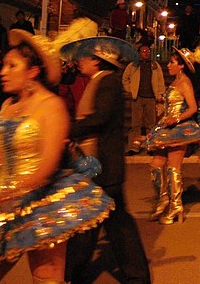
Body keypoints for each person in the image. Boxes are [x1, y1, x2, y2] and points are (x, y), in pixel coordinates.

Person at [0, 25, 114, 283]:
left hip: (43, 204)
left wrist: (13, 193)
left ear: (32, 71)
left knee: (45, 276)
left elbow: (48, 164)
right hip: (2, 203)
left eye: (11, 66)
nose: (2, 72)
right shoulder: (7, 106)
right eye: (3, 65)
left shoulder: (51, 106)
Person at [62, 33, 152, 284]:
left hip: (104, 166)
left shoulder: (108, 82)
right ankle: (74, 272)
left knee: (112, 225)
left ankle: (73, 273)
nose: (79, 61)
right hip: (99, 167)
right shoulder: (97, 81)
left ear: (98, 61)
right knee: (95, 223)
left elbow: (99, 118)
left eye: (85, 57)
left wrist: (67, 129)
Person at [142, 49, 200, 224]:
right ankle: (163, 198)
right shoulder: (175, 81)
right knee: (156, 165)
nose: (168, 65)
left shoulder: (185, 82)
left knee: (173, 168)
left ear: (181, 66)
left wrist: (176, 118)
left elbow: (193, 108)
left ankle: (175, 205)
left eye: (172, 62)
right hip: (167, 126)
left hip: (180, 128)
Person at [122, 44, 165, 154]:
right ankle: (134, 147)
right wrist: (130, 90)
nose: (146, 53)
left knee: (150, 124)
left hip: (151, 98)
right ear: (139, 53)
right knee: (135, 125)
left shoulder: (155, 65)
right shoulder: (133, 65)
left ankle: (150, 146)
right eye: (144, 51)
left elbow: (160, 80)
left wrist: (160, 94)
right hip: (138, 98)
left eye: (148, 51)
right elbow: (125, 79)